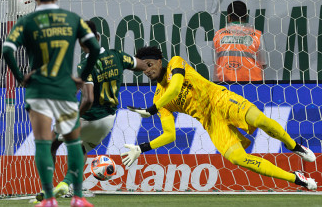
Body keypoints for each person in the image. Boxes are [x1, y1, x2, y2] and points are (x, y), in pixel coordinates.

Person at [121, 46, 317, 191]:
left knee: (260, 120)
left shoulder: (175, 63)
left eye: (149, 65)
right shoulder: (158, 97)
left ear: (159, 61)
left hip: (221, 99)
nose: (147, 70)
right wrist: (141, 148)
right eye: (143, 69)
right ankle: (297, 178)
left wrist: (154, 108)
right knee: (237, 158)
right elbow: (169, 135)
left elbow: (175, 87)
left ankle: (295, 147)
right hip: (210, 122)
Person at [2, 0, 100, 207]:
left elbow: (7, 49)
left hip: (38, 91)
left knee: (44, 143)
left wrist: (20, 77)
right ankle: (78, 197)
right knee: (74, 142)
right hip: (65, 90)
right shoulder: (72, 19)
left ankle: (49, 199)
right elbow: (94, 47)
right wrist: (82, 78)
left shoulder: (27, 20)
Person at [38, 20, 148, 199]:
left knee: (51, 143)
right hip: (108, 121)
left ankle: (48, 188)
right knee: (80, 149)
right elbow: (142, 66)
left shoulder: (86, 65)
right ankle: (70, 186)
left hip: (89, 117)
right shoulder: (117, 56)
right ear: (98, 37)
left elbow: (88, 99)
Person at [213, 1, 267, 82]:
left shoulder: (218, 35)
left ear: (228, 17)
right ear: (246, 16)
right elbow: (264, 62)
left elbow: (215, 61)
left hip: (225, 85)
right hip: (253, 85)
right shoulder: (256, 35)